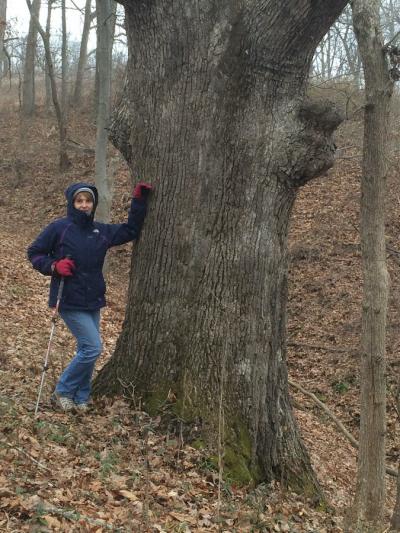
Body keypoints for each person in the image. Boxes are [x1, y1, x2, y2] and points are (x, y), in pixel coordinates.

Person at [27, 181, 152, 413]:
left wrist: (139, 201)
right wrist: (54, 266)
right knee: (92, 347)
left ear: (93, 204)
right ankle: (63, 392)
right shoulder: (59, 228)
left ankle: (81, 397)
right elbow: (34, 253)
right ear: (72, 203)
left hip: (93, 298)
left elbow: (130, 230)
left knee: (86, 349)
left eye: (88, 201)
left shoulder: (101, 231)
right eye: (79, 200)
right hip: (68, 299)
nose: (84, 205)